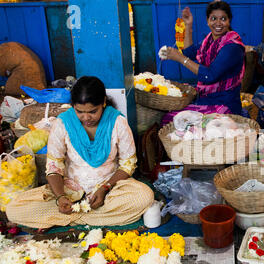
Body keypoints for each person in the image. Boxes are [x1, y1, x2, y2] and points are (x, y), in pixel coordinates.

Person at [6, 76, 154, 230]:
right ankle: (91, 216)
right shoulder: (62, 123)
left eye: (92, 111)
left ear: (103, 102)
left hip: (110, 189)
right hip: (71, 190)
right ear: (73, 106)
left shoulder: (117, 122)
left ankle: (67, 218)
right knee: (14, 209)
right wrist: (60, 197)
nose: (86, 118)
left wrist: (105, 188)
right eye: (80, 112)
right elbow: (54, 167)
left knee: (144, 196)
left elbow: (127, 165)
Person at [160, 1, 246, 123]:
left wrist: (179, 58)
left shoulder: (232, 47)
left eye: (223, 19)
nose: (218, 23)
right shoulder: (209, 41)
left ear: (229, 21)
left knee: (172, 119)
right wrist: (188, 25)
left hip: (225, 103)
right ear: (207, 20)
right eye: (213, 18)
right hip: (207, 98)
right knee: (170, 112)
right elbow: (189, 52)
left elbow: (209, 75)